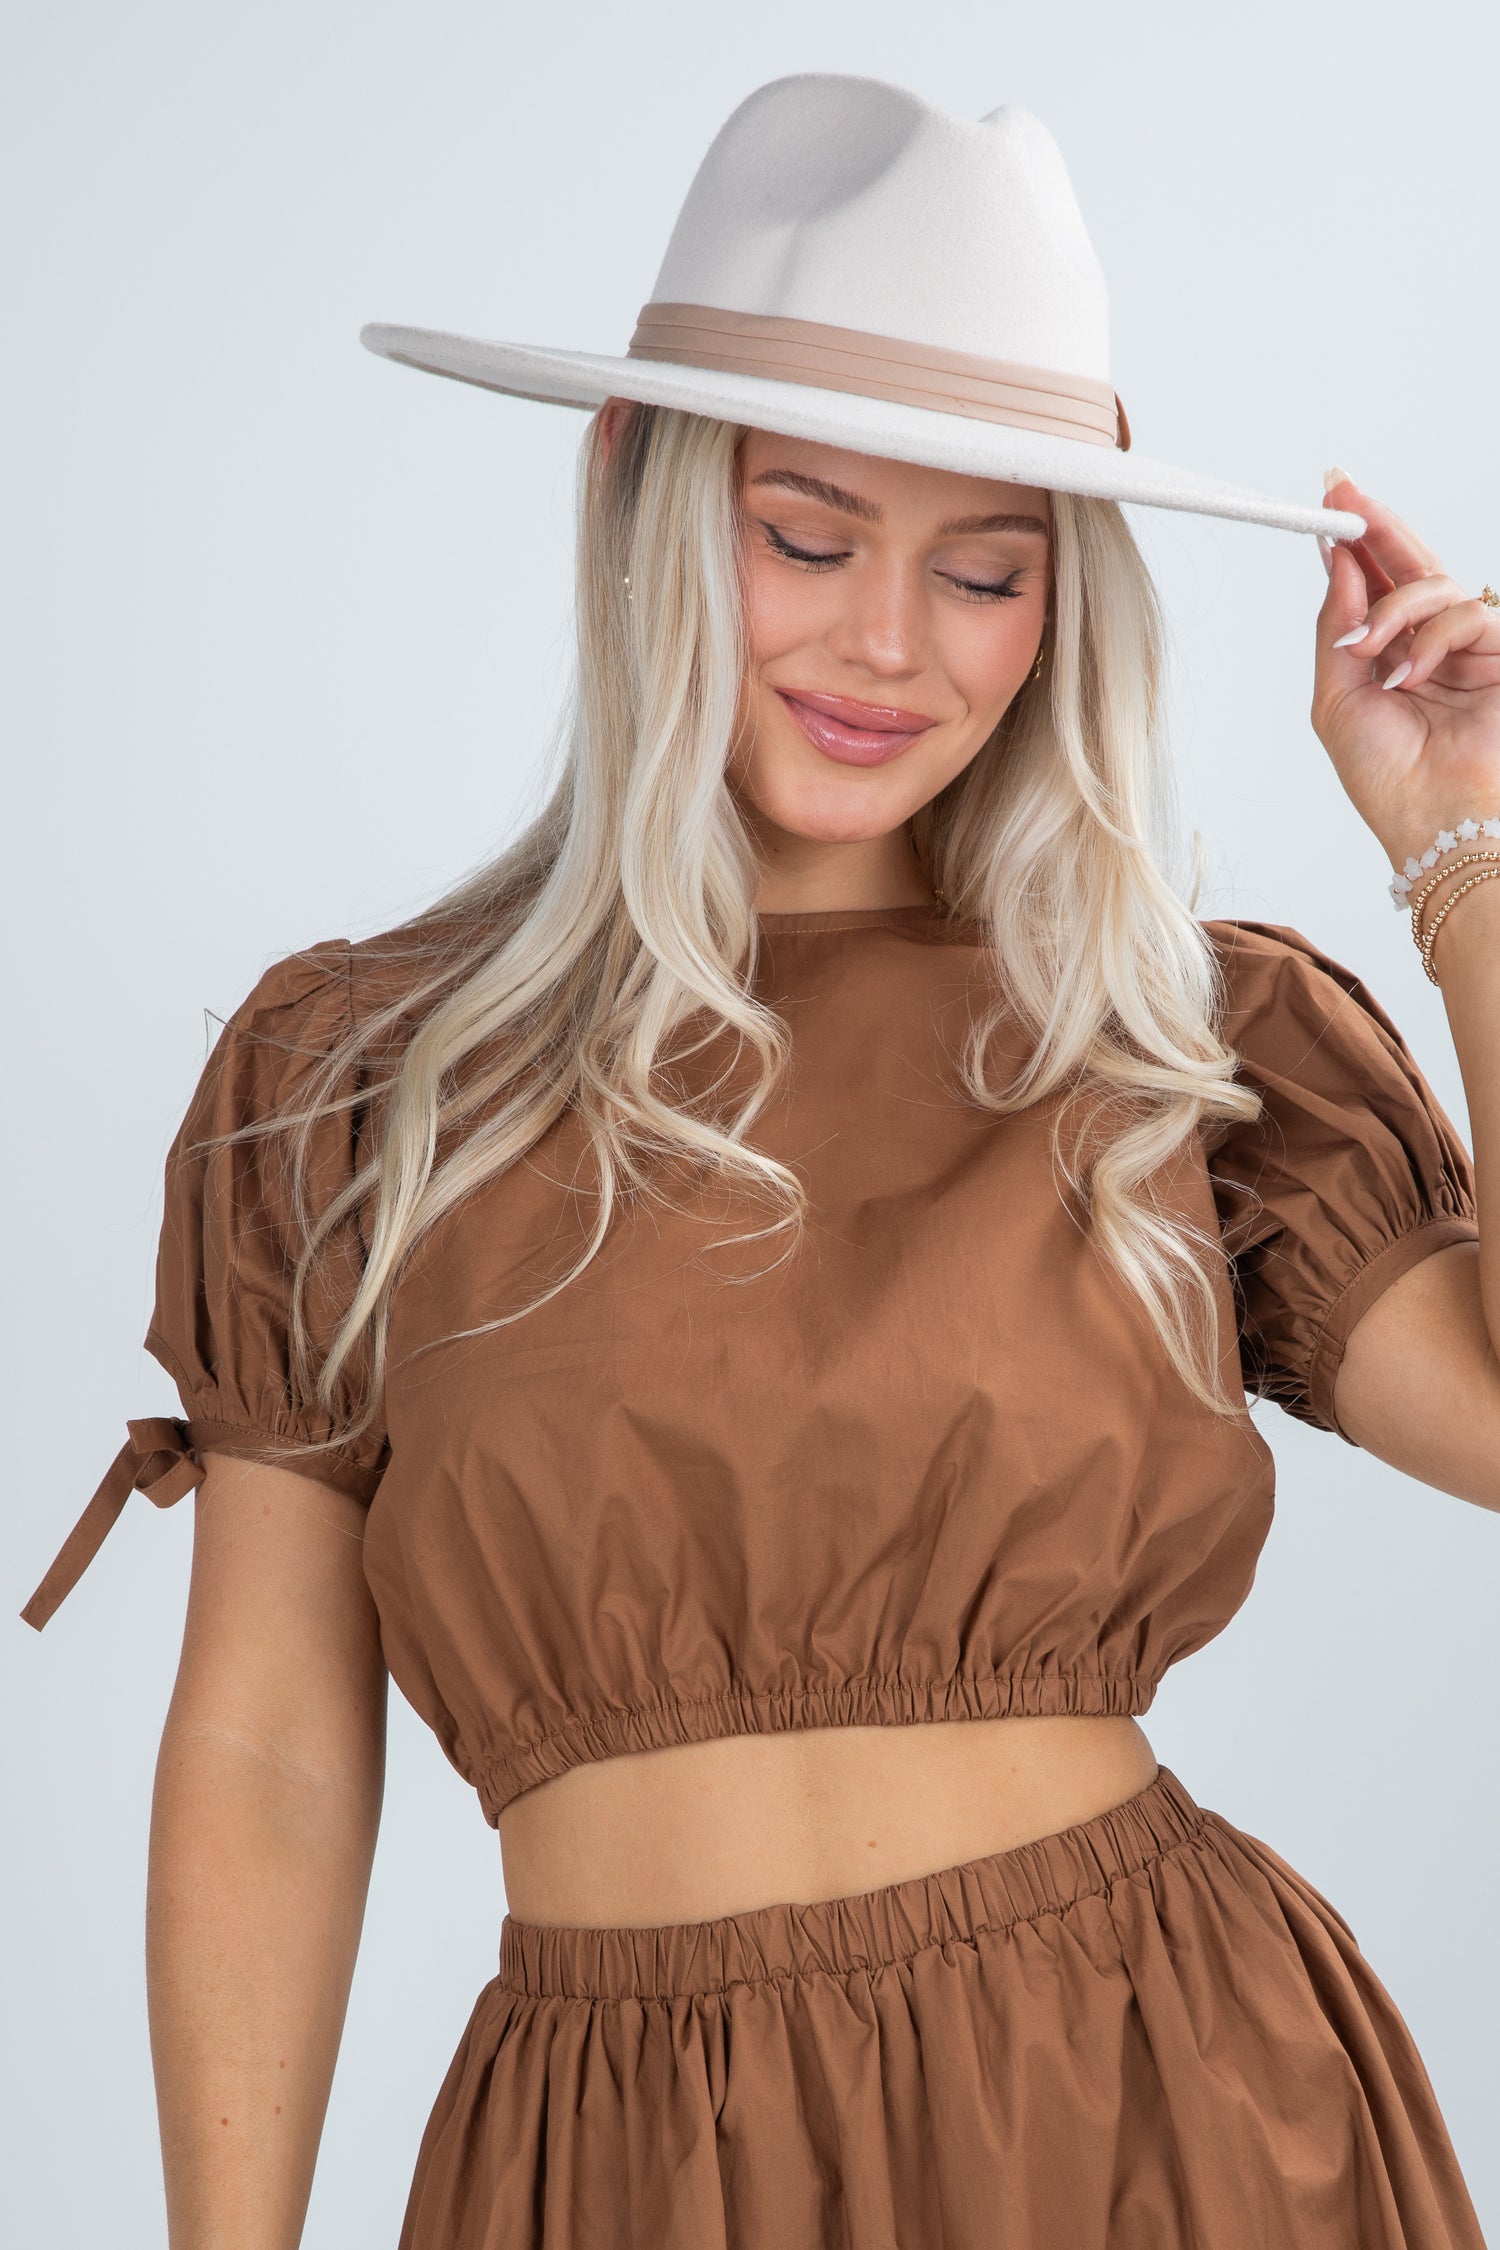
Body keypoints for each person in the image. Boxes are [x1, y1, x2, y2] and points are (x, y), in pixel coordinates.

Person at [19, 71, 1497, 2250]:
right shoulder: (356, 1073)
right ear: (639, 485)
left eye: (985, 572)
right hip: (613, 2159)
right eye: (808, 539)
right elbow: (262, 1748)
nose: (891, 645)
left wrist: (1465, 850)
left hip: (1147, 2102)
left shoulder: (1180, 1039)